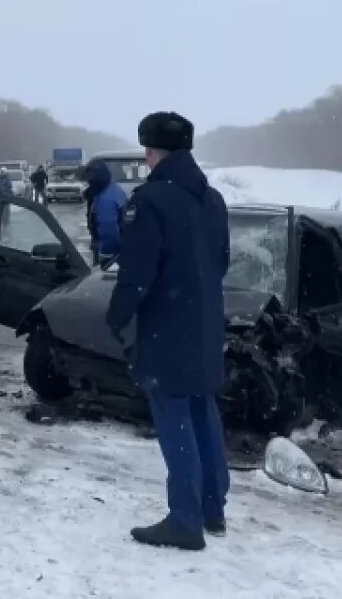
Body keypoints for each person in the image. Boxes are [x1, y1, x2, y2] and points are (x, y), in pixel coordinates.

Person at [105, 112, 230, 551]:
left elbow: (137, 274)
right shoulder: (211, 199)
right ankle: (213, 509)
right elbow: (221, 263)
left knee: (174, 415)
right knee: (203, 412)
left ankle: (184, 521)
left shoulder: (150, 201)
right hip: (205, 325)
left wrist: (116, 316)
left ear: (150, 150)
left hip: (167, 330)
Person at [84, 159, 128, 268]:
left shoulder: (105, 198)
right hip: (120, 245)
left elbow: (108, 227)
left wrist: (106, 253)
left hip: (111, 251)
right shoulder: (113, 189)